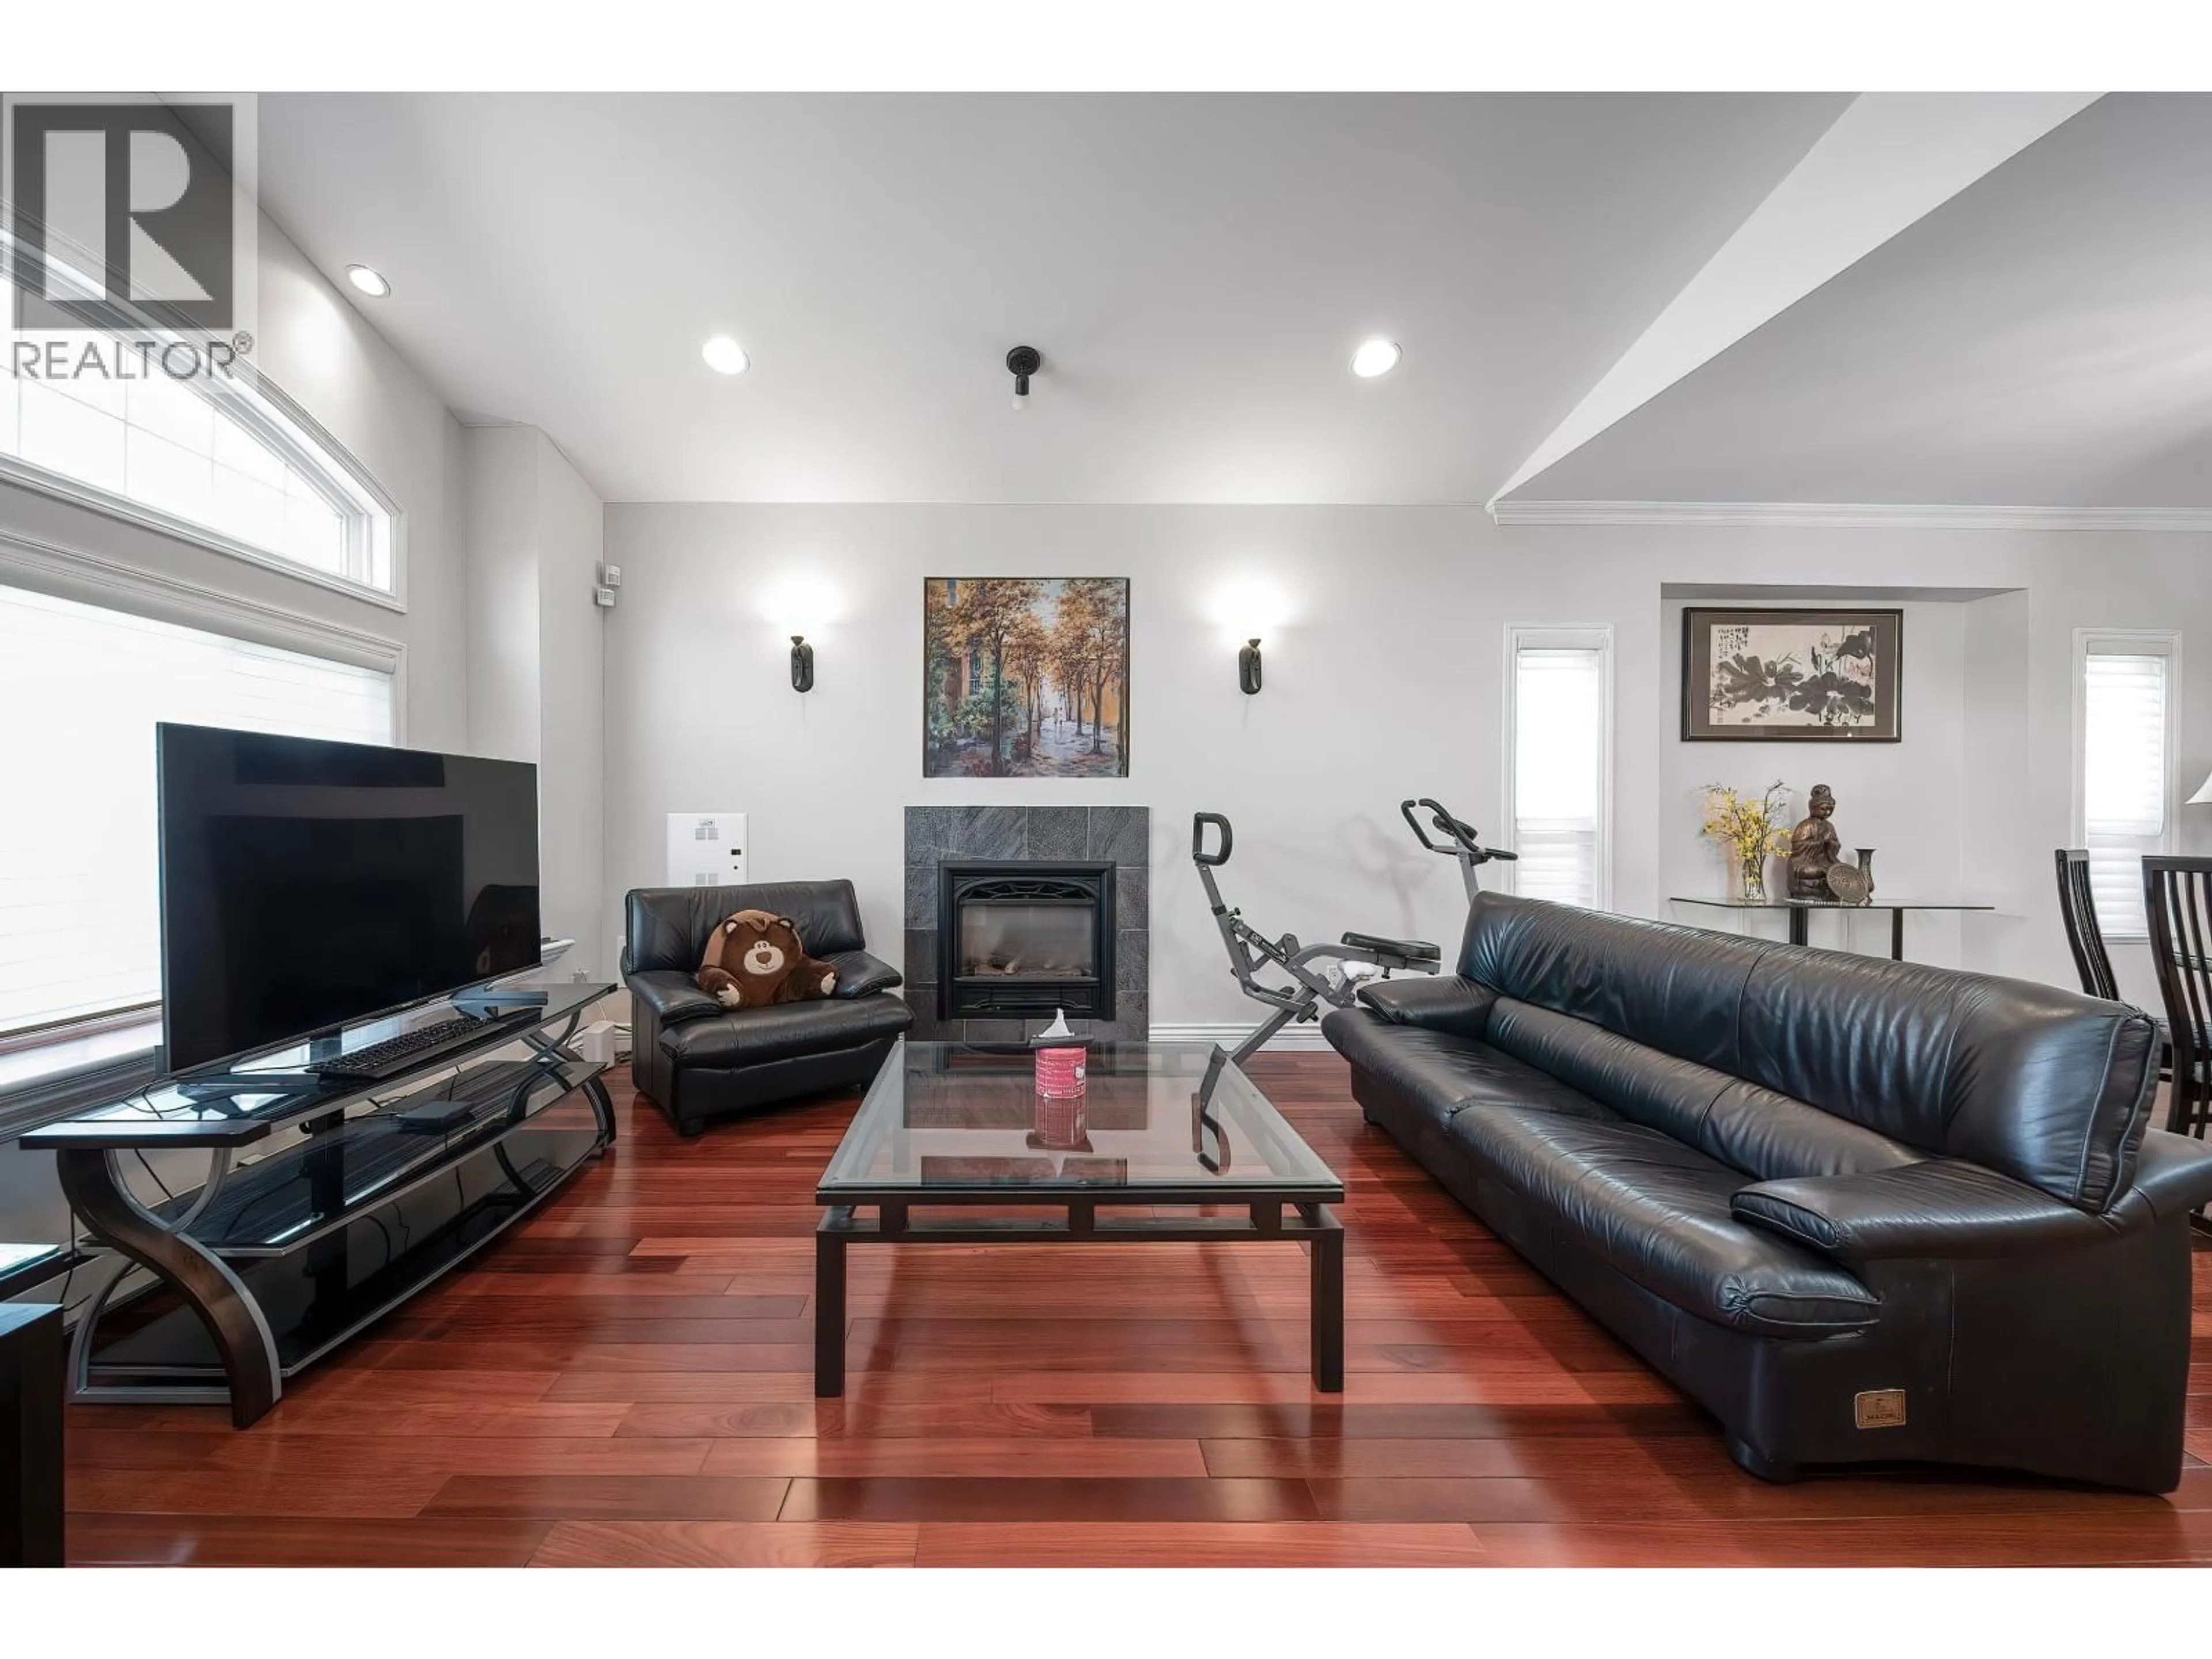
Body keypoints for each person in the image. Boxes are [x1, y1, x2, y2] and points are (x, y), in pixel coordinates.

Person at [1787, 784, 1842, 900]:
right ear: (1813, 808)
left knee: (1838, 870)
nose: (1827, 813)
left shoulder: (1829, 826)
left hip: (1824, 860)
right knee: (1814, 871)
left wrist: (1832, 845)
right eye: (1824, 809)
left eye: (1830, 810)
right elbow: (1798, 847)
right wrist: (1821, 843)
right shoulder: (1806, 825)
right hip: (1806, 862)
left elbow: (1835, 845)